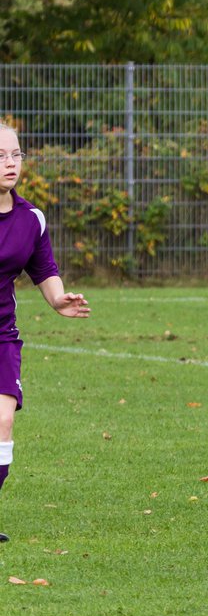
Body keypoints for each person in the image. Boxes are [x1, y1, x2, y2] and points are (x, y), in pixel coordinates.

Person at [0, 124, 92, 543]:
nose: (10, 163)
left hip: (2, 335)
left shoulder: (30, 218)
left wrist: (58, 301)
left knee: (2, 421)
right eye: (1, 155)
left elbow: (44, 269)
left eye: (16, 154)